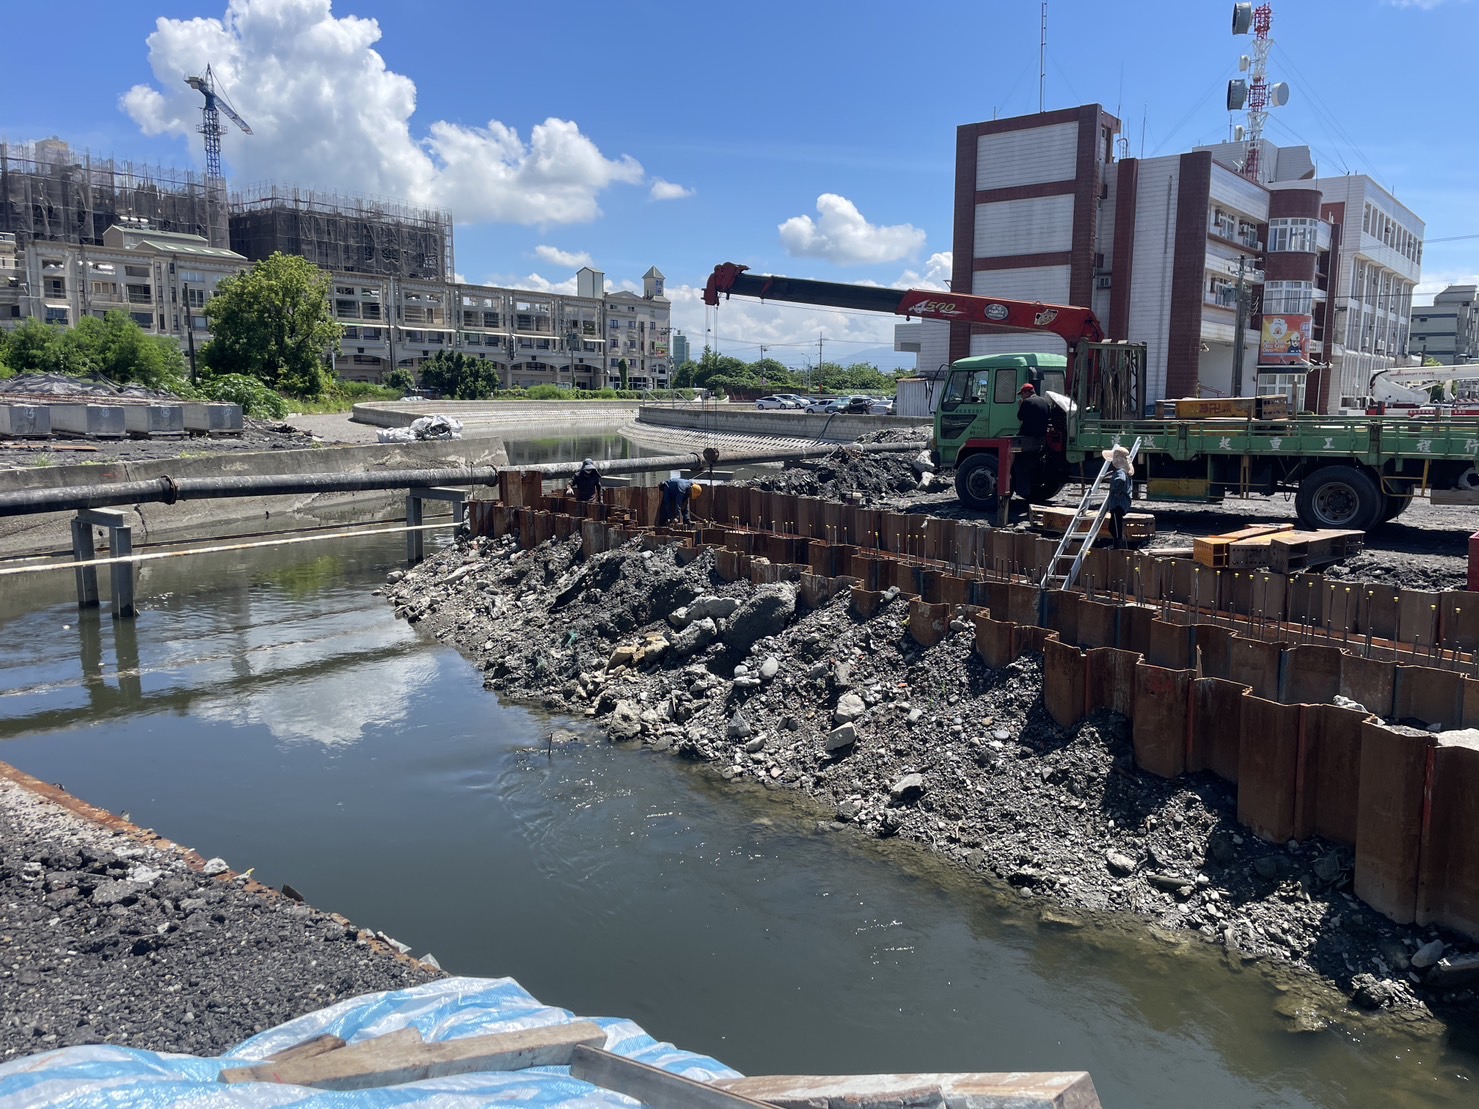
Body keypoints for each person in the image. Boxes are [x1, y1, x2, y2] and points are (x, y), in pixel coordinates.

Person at [1014, 382, 1054, 500]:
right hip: (1040, 436)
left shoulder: (1027, 402)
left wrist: (1021, 405)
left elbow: (1020, 417)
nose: (1022, 397)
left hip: (1027, 435)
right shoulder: (1044, 401)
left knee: (1014, 455)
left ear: (1027, 393)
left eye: (1022, 394)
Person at [1103, 444, 1135, 549]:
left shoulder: (1120, 472)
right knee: (1113, 525)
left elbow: (1120, 480)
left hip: (1118, 503)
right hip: (1120, 503)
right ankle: (1117, 543)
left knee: (1116, 526)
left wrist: (1116, 491)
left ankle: (1118, 546)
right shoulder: (1124, 471)